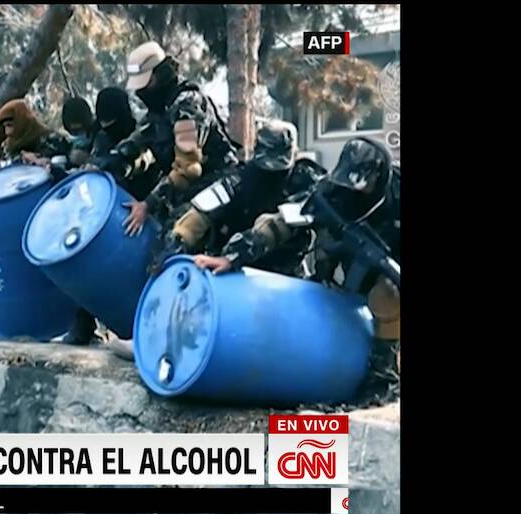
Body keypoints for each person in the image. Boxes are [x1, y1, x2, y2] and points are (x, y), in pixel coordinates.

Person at [195, 137, 400, 365]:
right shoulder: (332, 191)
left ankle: (383, 368)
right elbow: (280, 223)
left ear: (380, 180)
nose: (353, 193)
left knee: (388, 295)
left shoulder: (397, 196)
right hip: (344, 257)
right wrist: (232, 257)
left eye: (362, 187)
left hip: (391, 257)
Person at [95, 41, 240, 238]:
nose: (141, 91)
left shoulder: (187, 106)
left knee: (173, 234)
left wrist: (147, 205)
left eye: (146, 83)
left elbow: (187, 169)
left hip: (220, 182)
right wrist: (102, 166)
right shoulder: (159, 111)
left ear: (161, 75)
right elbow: (135, 144)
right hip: (192, 187)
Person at [153, 120, 326, 274]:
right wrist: (176, 242)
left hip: (283, 274)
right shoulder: (241, 178)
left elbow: (279, 225)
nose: (271, 174)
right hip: (235, 274)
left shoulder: (305, 181)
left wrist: (232, 256)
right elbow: (201, 212)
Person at [0, 99, 72, 167]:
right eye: (4, 127)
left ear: (23, 122)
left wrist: (36, 161)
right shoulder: (8, 147)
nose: (7, 132)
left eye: (9, 125)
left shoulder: (52, 140)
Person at [61, 96, 97, 168]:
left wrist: (88, 159)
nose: (78, 136)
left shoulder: (99, 137)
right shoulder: (63, 141)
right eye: (74, 132)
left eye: (80, 130)